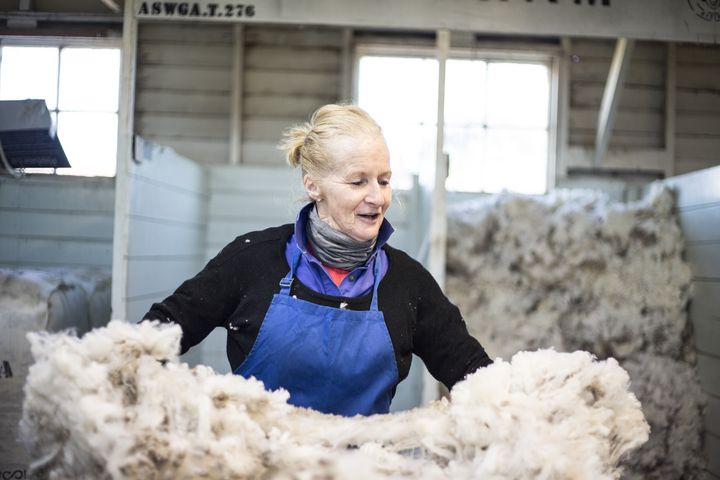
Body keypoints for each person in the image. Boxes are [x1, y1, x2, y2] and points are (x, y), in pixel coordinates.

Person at [142, 104, 491, 417]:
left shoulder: (407, 283)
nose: (377, 197)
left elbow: (472, 373)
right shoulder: (252, 260)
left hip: (359, 467)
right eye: (358, 181)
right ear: (313, 186)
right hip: (260, 465)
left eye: (384, 181)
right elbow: (158, 333)